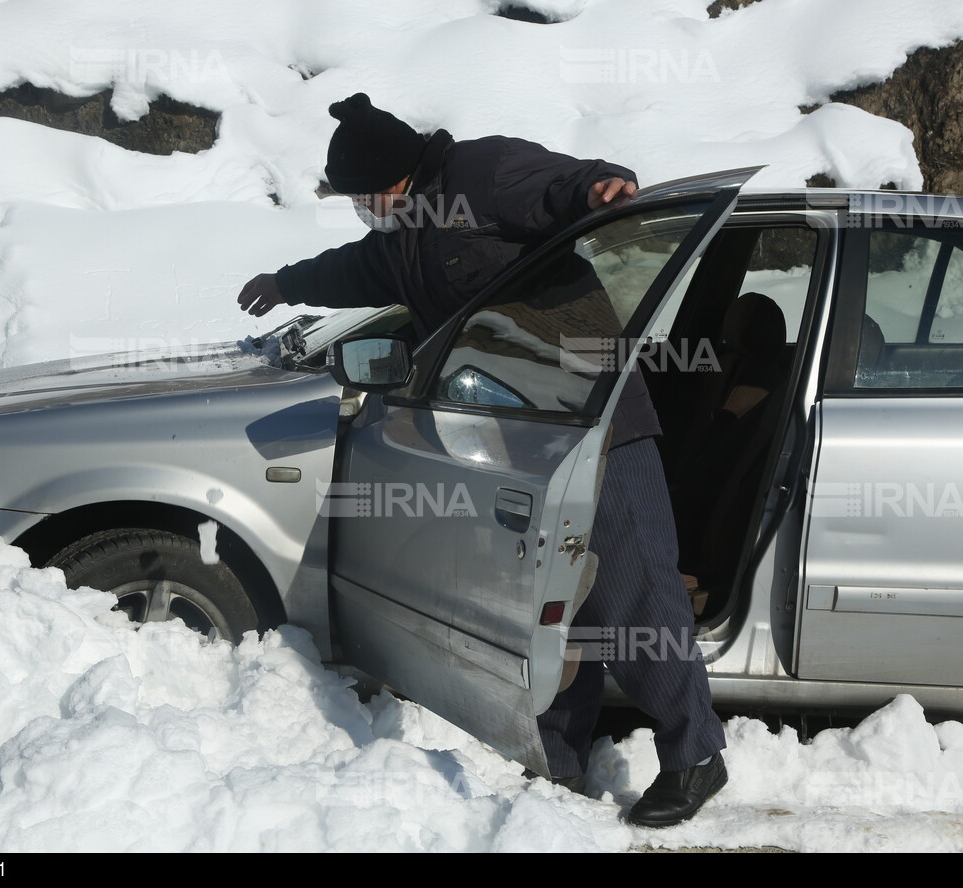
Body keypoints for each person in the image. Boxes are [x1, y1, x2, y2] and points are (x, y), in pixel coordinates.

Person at [237, 93, 727, 827]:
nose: (360, 211)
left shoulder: (483, 171)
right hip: (513, 436)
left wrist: (603, 186)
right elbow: (354, 269)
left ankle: (695, 758)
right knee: (542, 606)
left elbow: (570, 184)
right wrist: (287, 284)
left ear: (390, 177)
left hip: (592, 417)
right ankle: (558, 764)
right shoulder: (402, 232)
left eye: (359, 196)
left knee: (634, 586)